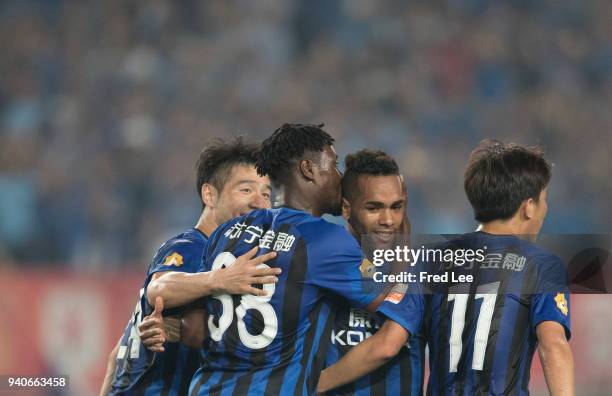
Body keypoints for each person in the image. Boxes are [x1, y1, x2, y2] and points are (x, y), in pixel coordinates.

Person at [317, 140, 574, 396]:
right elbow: (553, 345)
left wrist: (315, 384)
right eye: (544, 200)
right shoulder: (542, 266)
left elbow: (386, 344)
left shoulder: (429, 258)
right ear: (529, 207)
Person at [149, 123, 382, 395]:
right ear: (308, 169)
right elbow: (391, 297)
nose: (339, 177)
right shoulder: (327, 240)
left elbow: (195, 331)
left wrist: (169, 327)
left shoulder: (226, 232)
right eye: (333, 166)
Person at [100, 137, 280, 395]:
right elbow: (159, 288)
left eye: (266, 193)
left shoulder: (233, 257)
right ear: (210, 194)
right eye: (246, 190)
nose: (260, 203)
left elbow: (117, 354)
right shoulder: (193, 247)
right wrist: (219, 279)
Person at [325, 149, 424, 395]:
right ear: (347, 209)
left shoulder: (420, 269)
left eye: (396, 207)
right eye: (374, 208)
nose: (388, 219)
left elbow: (389, 346)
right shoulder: (322, 258)